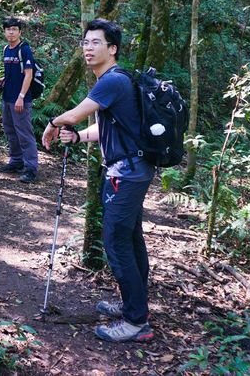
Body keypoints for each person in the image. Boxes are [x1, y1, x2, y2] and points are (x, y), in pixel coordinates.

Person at [42, 18, 155, 343]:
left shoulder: (112, 81)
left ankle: (137, 322)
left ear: (112, 48)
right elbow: (107, 129)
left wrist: (54, 123)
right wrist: (77, 138)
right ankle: (135, 305)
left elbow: (75, 114)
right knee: (130, 240)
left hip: (127, 173)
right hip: (130, 170)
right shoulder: (116, 81)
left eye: (96, 43)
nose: (88, 48)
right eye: (86, 43)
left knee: (116, 243)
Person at [0, 17, 39, 183]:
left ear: (20, 32)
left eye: (14, 29)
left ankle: (31, 169)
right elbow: (12, 73)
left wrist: (21, 97)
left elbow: (29, 74)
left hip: (21, 100)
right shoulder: (7, 49)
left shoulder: (24, 49)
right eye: (8, 29)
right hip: (7, 98)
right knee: (10, 131)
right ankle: (16, 161)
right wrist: (2, 80)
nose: (11, 32)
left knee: (24, 133)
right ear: (4, 31)